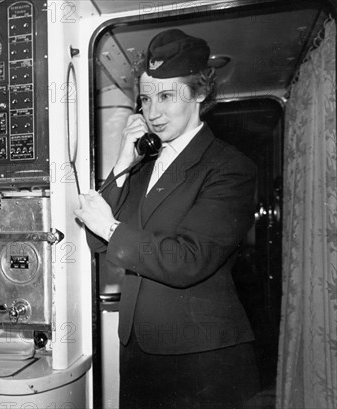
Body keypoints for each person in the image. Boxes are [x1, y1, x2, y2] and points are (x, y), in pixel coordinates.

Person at [74, 29, 260, 408]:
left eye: (165, 96)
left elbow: (188, 260)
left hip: (201, 356)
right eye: (145, 98)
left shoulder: (228, 168)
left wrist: (111, 227)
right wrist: (123, 162)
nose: (152, 112)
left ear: (199, 94)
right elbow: (96, 241)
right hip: (138, 347)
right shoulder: (142, 167)